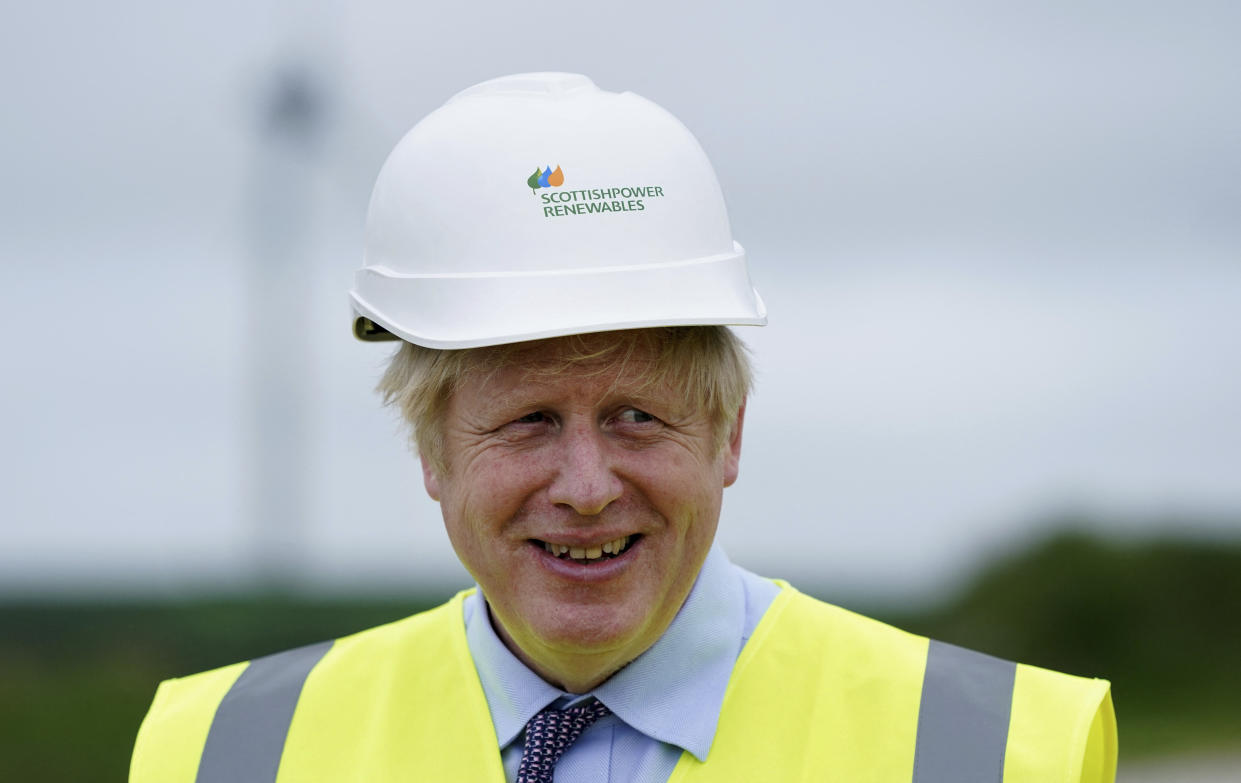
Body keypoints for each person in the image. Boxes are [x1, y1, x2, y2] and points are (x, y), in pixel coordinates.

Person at [130, 73, 1117, 782]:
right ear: (430, 452)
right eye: (525, 422)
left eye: (635, 416)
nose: (587, 484)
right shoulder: (216, 753)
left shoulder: (1006, 752)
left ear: (726, 436)